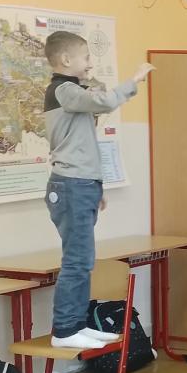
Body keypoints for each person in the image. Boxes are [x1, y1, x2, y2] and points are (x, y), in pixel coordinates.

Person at [41, 32, 153, 350]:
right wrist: (134, 81)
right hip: (70, 186)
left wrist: (95, 186)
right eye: (86, 57)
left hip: (81, 184)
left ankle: (77, 325)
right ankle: (65, 330)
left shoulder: (72, 91)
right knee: (76, 261)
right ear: (66, 60)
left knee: (83, 260)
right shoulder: (63, 90)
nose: (90, 64)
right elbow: (104, 101)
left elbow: (82, 145)